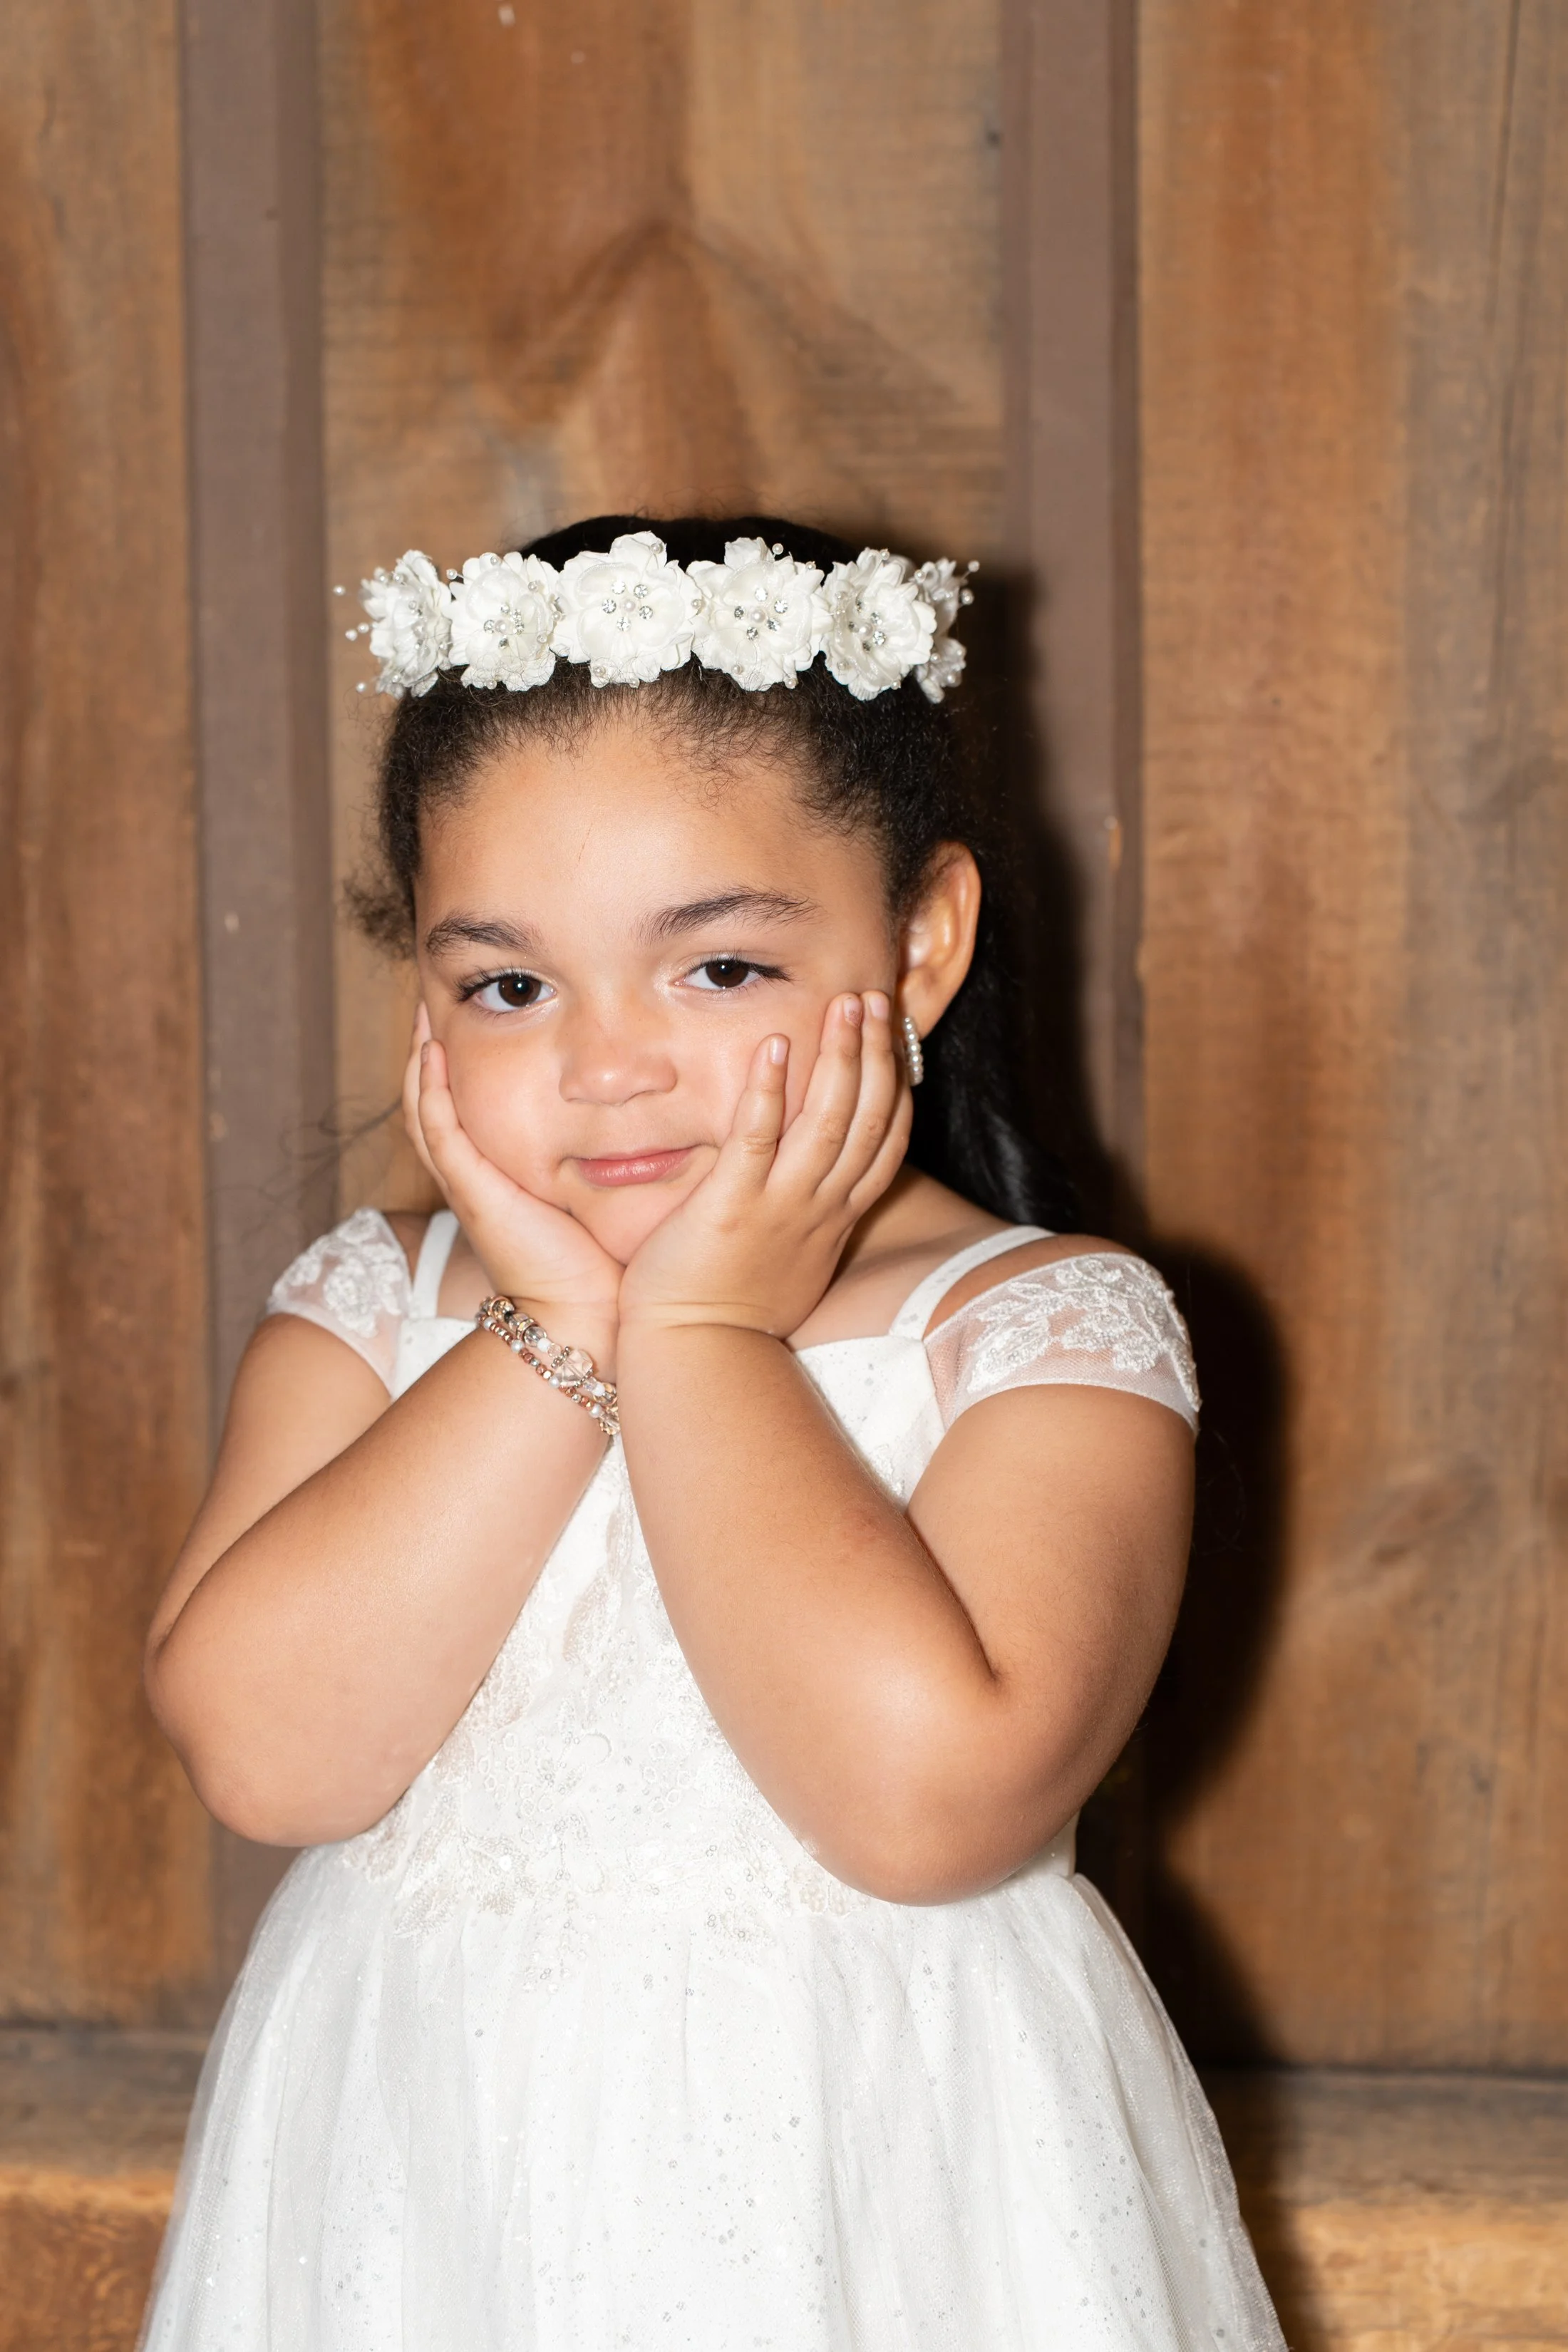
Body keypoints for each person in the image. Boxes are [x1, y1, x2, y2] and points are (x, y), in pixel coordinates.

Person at [140, 517, 1283, 2349]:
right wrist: (560, 1331)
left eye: (719, 969)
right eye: (507, 985)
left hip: (880, 2197)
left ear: (919, 944)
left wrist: (692, 1334)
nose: (607, 1066)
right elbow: (267, 1761)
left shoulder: (1037, 1335)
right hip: (420, 2186)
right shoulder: (371, 1317)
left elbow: (921, 1800)